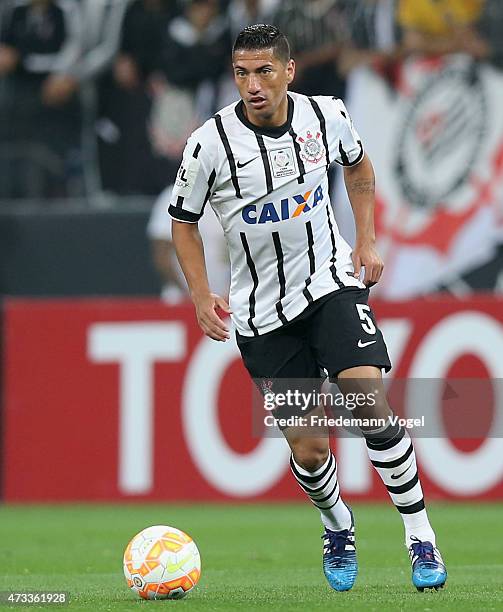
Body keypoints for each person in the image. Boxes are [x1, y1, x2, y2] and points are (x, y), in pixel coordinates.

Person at [169, 24, 447, 592]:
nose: (253, 85)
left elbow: (359, 167)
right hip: (262, 314)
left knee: (368, 401)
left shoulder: (327, 117)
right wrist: (201, 293)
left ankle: (420, 536)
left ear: (289, 71)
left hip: (330, 285)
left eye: (264, 71)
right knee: (312, 444)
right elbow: (183, 222)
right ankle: (337, 523)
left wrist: (366, 241)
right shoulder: (210, 143)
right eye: (242, 73)